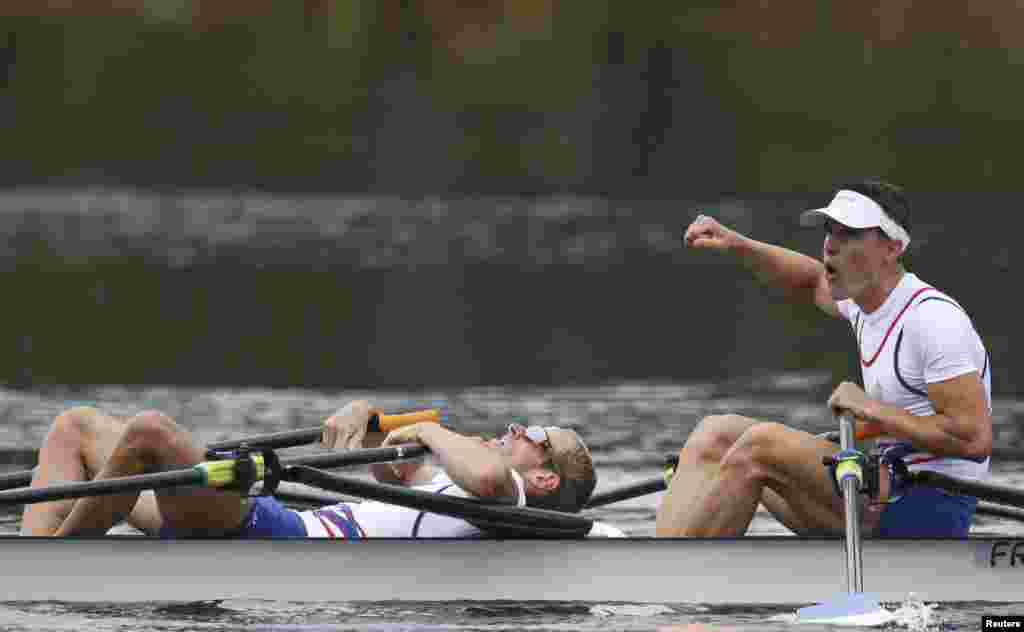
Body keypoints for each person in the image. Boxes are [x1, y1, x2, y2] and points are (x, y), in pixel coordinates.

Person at [656, 179, 992, 538]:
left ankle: (676, 576)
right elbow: (809, 280)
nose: (829, 245)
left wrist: (872, 410)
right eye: (830, 231)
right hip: (884, 486)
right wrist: (737, 244)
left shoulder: (933, 321)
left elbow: (974, 440)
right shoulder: (866, 303)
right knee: (716, 434)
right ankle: (654, 564)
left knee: (761, 445)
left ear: (892, 248)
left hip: (928, 507)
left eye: (848, 234)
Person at [20, 400, 596, 538]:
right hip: (280, 519)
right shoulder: (460, 483)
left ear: (545, 479)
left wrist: (428, 430)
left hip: (279, 538)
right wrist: (363, 413)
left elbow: (494, 479)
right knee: (76, 427)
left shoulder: (508, 495)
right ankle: (33, 570)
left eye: (539, 437)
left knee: (150, 434)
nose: (520, 428)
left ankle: (44, 574)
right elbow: (390, 472)